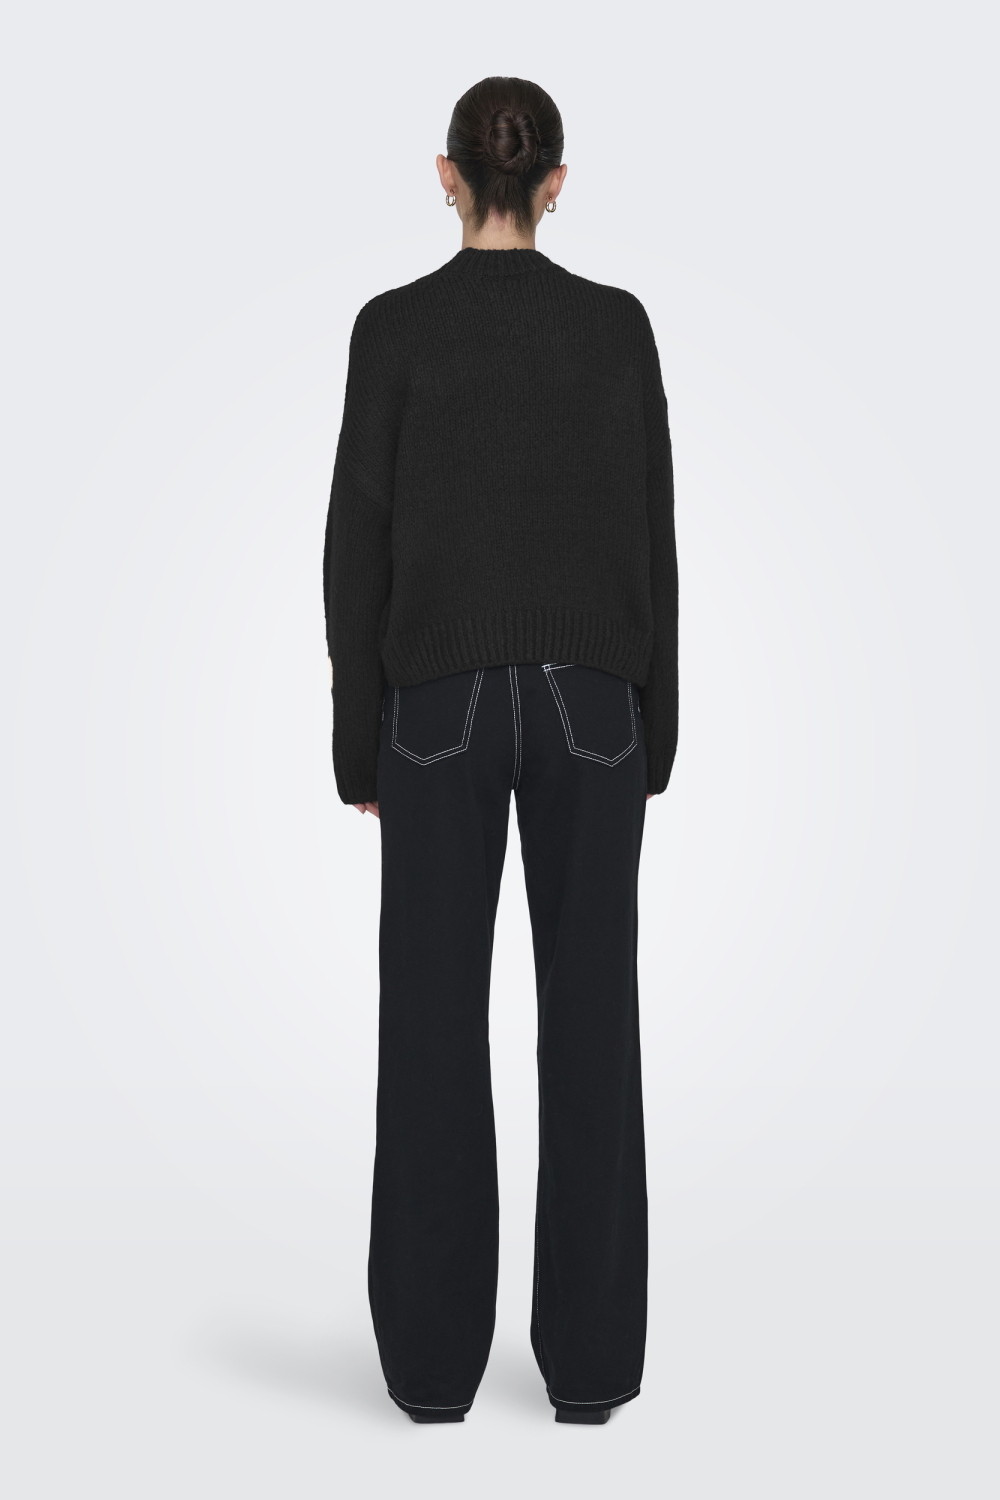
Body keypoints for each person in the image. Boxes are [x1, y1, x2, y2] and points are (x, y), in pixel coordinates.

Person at [323, 76, 678, 1426]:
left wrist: (360, 744)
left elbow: (356, 548)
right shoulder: (618, 327)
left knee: (428, 1024)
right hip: (596, 699)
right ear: (557, 182)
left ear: (448, 174)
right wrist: (655, 728)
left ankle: (428, 1374)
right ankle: (590, 1374)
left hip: (436, 704)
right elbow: (653, 530)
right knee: (593, 1026)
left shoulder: (394, 330)